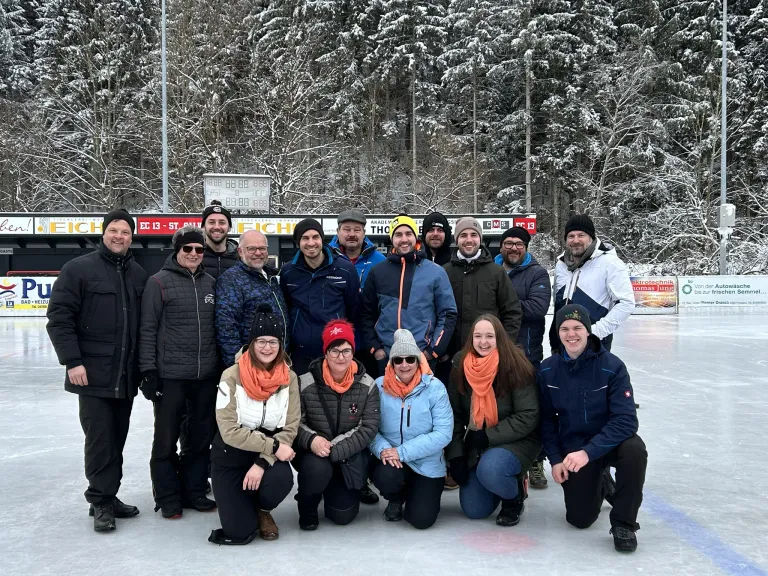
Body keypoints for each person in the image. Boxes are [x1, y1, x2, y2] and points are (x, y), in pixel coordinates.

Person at [46, 209, 149, 532]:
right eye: (114, 230)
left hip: (125, 375)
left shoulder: (137, 275)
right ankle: (100, 500)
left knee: (117, 437)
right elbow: (59, 318)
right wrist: (72, 361)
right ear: (103, 233)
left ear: (132, 237)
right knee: (100, 439)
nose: (119, 236)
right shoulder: (78, 270)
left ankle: (109, 493)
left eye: (125, 232)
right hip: (91, 374)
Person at [538, 304, 647, 553]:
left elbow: (626, 420)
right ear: (558, 333)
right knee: (579, 519)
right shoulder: (547, 370)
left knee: (635, 451)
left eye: (577, 328)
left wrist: (589, 453)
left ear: (588, 331)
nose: (571, 334)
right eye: (564, 328)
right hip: (574, 445)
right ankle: (601, 481)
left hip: (609, 441)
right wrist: (555, 460)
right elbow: (546, 421)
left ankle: (624, 523)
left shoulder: (612, 366)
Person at [139, 226, 218, 518]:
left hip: (205, 376)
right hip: (170, 375)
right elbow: (147, 329)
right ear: (177, 251)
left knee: (199, 440)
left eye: (199, 250)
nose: (194, 254)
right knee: (165, 439)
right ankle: (168, 495)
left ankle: (194, 489)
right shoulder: (158, 283)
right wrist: (148, 370)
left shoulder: (211, 283)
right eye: (188, 249)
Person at [208, 305, 300, 545]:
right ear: (251, 343)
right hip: (230, 456)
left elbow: (290, 428)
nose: (267, 347)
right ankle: (238, 502)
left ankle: (261, 508)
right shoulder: (231, 376)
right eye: (261, 341)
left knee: (281, 479)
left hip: (264, 456)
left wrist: (262, 461)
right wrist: (272, 446)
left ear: (281, 345)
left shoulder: (289, 378)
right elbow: (228, 431)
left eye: (273, 341)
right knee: (240, 533)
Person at [446, 315, 540, 526]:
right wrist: (456, 455)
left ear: (499, 338)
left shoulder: (515, 364)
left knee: (491, 469)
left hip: (516, 440)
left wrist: (488, 436)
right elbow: (453, 414)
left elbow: (528, 415)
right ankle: (497, 480)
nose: (483, 342)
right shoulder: (461, 364)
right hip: (477, 441)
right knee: (474, 510)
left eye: (490, 336)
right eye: (478, 336)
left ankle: (514, 495)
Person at [292, 319, 380, 529]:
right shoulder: (305, 382)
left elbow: (368, 427)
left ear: (353, 352)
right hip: (314, 453)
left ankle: (334, 488)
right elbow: (294, 421)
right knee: (317, 471)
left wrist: (334, 449)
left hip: (346, 455)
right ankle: (307, 504)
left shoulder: (367, 384)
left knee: (342, 516)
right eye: (335, 350)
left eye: (346, 351)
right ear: (325, 352)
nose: (341, 357)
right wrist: (312, 440)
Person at [370, 329, 453, 529]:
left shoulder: (435, 388)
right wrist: (383, 450)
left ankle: (417, 494)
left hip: (426, 463)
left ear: (418, 361)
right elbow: (369, 427)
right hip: (391, 461)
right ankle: (395, 498)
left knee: (421, 520)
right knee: (386, 476)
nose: (404, 364)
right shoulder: (379, 387)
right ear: (391, 363)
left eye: (410, 359)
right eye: (398, 360)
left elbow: (443, 433)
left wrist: (401, 452)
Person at [361, 214, 457, 376]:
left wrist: (432, 351)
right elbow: (366, 313)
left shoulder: (435, 272)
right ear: (392, 239)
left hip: (421, 356)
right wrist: (376, 349)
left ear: (416, 237)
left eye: (408, 234)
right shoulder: (378, 272)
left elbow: (447, 314)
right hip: (388, 356)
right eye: (398, 235)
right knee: (388, 401)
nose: (404, 239)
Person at [495, 225, 552, 488]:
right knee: (500, 410)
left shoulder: (537, 272)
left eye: (519, 243)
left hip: (526, 354)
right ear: (501, 246)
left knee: (531, 410)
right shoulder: (491, 270)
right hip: (493, 352)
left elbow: (537, 308)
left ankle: (536, 460)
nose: (513, 248)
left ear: (526, 247)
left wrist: (500, 304)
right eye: (508, 243)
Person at [280, 218, 360, 375]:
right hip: (301, 353)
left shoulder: (345, 269)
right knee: (304, 397)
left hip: (335, 351)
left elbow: (355, 310)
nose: (311, 243)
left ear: (322, 239)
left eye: (315, 237)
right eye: (305, 238)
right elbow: (287, 308)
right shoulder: (288, 272)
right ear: (298, 242)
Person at [549, 214, 635, 354]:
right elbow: (558, 304)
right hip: (562, 343)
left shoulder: (610, 263)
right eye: (571, 236)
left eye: (581, 235)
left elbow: (626, 304)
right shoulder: (561, 264)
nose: (575, 240)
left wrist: (595, 332)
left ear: (591, 237)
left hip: (594, 344)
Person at [443, 216, 522, 355]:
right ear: (456, 240)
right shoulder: (444, 272)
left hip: (488, 353)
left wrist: (503, 346)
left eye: (474, 235)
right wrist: (441, 349)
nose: (469, 240)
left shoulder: (497, 272)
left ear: (480, 239)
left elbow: (512, 312)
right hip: (451, 356)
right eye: (463, 235)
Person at [216, 230, 288, 367]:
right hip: (251, 365)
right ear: (240, 251)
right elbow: (226, 328)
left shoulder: (273, 277)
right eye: (251, 249)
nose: (258, 253)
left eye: (262, 248)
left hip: (277, 362)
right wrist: (239, 366)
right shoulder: (231, 280)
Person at [329, 209, 386, 287]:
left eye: (357, 230)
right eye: (347, 229)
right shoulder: (325, 258)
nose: (352, 234)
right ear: (338, 232)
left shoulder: (380, 261)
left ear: (364, 233)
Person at [201, 201, 239, 279]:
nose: (217, 227)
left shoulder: (241, 257)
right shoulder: (194, 256)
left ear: (229, 227)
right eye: (211, 222)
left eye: (222, 222)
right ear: (203, 227)